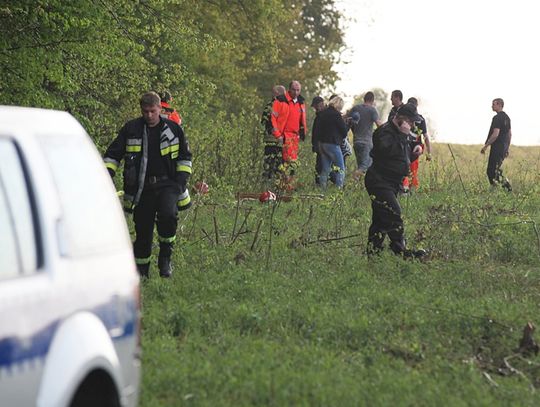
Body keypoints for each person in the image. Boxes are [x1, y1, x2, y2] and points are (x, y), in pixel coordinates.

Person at [104, 91, 192, 278]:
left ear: (160, 108)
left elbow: (185, 158)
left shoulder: (173, 129)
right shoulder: (131, 129)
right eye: (145, 111)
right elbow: (113, 155)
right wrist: (106, 174)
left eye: (153, 111)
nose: (149, 115)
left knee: (168, 216)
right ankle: (142, 273)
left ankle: (165, 258)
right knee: (143, 231)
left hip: (168, 184)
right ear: (141, 110)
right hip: (141, 189)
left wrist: (180, 183)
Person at [364, 103, 426, 258]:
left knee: (380, 220)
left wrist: (414, 152)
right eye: (410, 121)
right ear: (401, 119)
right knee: (394, 212)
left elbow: (400, 157)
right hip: (379, 181)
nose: (412, 125)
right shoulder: (384, 132)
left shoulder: (400, 133)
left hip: (392, 183)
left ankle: (373, 252)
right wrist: (404, 136)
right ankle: (401, 251)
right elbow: (386, 151)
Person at [271, 80, 307, 186]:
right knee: (284, 162)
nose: (296, 92)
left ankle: (289, 185)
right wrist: (278, 135)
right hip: (284, 136)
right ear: (289, 89)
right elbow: (273, 118)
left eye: (298, 90)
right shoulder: (280, 101)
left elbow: (302, 120)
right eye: (293, 90)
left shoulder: (301, 102)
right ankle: (283, 185)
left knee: (293, 163)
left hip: (295, 136)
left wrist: (302, 133)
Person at [315, 96, 348, 189]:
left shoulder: (323, 113)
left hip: (322, 144)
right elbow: (344, 131)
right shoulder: (336, 115)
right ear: (339, 105)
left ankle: (322, 188)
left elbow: (317, 129)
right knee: (341, 168)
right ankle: (338, 190)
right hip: (333, 144)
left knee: (325, 168)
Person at [349, 91, 383, 180]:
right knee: (365, 166)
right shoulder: (372, 110)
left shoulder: (355, 108)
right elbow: (379, 124)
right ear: (372, 100)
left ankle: (358, 186)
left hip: (356, 142)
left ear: (364, 99)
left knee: (360, 165)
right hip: (366, 142)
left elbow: (347, 119)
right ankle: (352, 181)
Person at [480, 98, 512, 191]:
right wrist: (507, 148)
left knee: (491, 170)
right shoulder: (507, 118)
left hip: (497, 147)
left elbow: (495, 134)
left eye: (494, 104)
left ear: (499, 105)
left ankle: (502, 188)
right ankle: (504, 189)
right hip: (503, 147)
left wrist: (486, 146)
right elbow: (509, 134)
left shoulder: (497, 118)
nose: (492, 106)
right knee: (496, 170)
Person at [402, 97, 432, 191]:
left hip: (408, 146)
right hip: (416, 147)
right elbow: (426, 137)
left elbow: (425, 136)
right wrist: (429, 153)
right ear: (416, 106)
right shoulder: (421, 119)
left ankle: (406, 189)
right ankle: (410, 190)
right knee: (413, 169)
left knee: (404, 168)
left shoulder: (403, 117)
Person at [261, 85, 286, 181]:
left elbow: (263, 122)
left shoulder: (269, 106)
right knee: (278, 166)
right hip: (277, 141)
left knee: (269, 164)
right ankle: (275, 186)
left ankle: (268, 183)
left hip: (270, 141)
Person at [310, 95, 325, 184]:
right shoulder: (319, 116)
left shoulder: (323, 115)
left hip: (323, 145)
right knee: (320, 165)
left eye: (316, 106)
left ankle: (320, 183)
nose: (315, 108)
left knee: (322, 165)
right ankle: (319, 183)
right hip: (318, 146)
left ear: (321, 104)